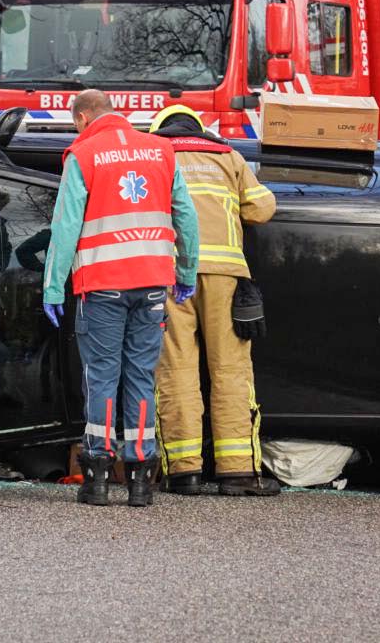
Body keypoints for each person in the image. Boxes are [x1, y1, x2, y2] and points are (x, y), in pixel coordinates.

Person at [42, 90, 199, 508]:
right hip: (151, 283)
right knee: (141, 377)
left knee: (102, 376)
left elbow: (65, 226)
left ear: (84, 117)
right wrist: (185, 272)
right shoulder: (161, 150)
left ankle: (96, 478)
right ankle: (141, 482)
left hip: (103, 284)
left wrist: (54, 286)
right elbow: (185, 215)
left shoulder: (84, 154)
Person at [148, 105, 280, 496]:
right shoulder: (228, 156)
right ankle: (237, 472)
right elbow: (263, 208)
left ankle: (183, 471)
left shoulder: (155, 155)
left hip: (172, 275)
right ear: (200, 129)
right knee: (230, 371)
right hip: (226, 277)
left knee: (176, 369)